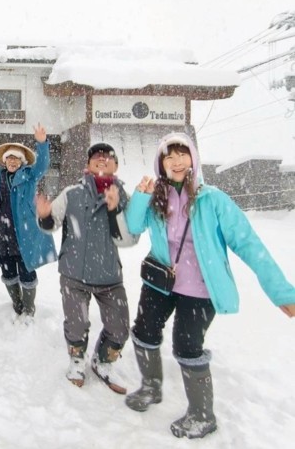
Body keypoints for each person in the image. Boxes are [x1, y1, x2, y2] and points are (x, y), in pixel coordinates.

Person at [124, 131, 295, 439]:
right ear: (161, 164)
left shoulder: (213, 199)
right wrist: (140, 196)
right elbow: (134, 226)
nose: (176, 162)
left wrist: (280, 291)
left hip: (199, 288)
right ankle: (150, 387)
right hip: (161, 281)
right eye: (169, 157)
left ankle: (202, 415)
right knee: (144, 332)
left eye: (182, 154)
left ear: (193, 158)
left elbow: (249, 244)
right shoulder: (157, 198)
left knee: (187, 346)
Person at [36, 143, 137, 393]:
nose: (102, 159)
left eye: (107, 157)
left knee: (120, 328)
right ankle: (77, 361)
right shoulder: (72, 193)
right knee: (76, 324)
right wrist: (45, 215)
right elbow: (51, 224)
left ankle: (103, 361)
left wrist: (114, 210)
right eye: (96, 156)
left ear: (116, 166)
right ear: (87, 165)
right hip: (74, 273)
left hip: (109, 276)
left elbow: (128, 239)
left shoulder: (125, 197)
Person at [0, 123, 56, 320]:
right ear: (4, 161)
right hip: (4, 233)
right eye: (9, 158)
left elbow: (42, 165)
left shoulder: (29, 176)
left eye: (16, 158)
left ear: (22, 161)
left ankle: (28, 309)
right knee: (8, 273)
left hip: (24, 232)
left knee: (27, 271)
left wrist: (42, 143)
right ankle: (17, 303)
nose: (12, 161)